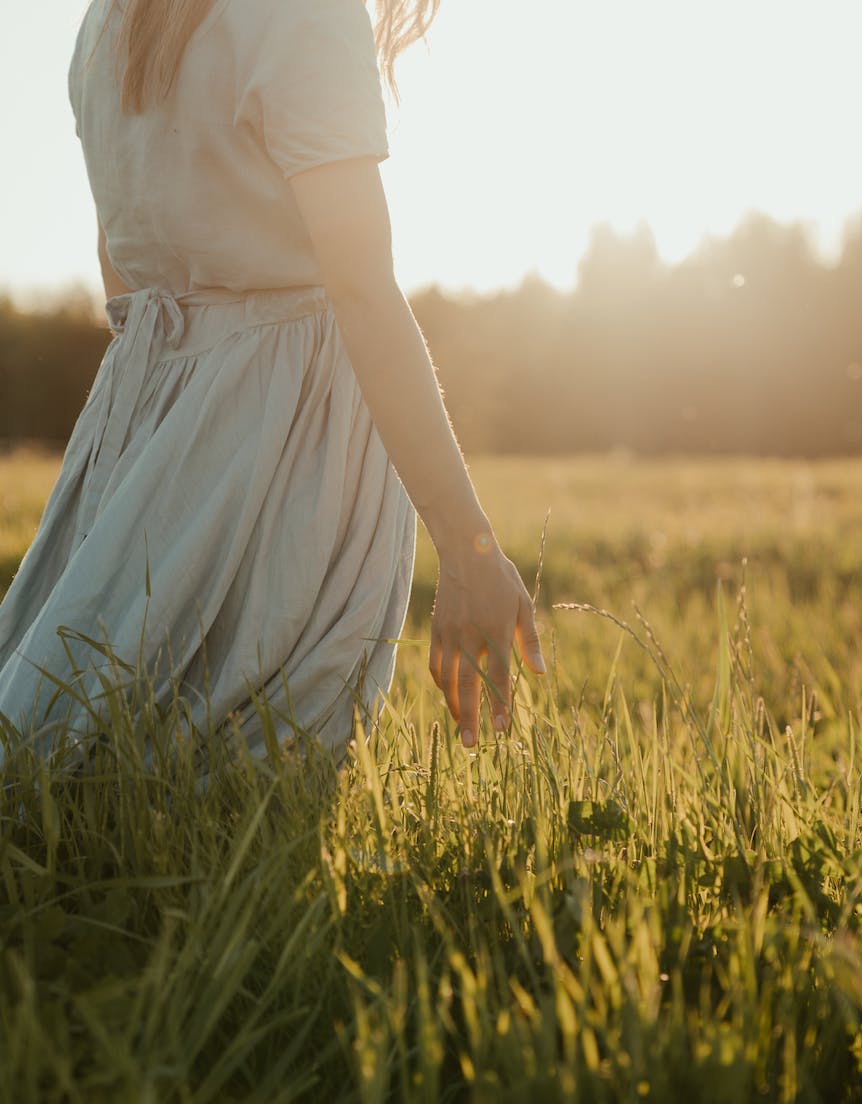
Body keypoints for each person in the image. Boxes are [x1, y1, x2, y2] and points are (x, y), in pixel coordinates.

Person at [0, 0, 545, 763]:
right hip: (292, 424)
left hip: (148, 397)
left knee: (90, 720)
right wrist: (467, 547)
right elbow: (359, 286)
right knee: (252, 767)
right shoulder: (302, 10)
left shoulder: (108, 18)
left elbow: (118, 270)